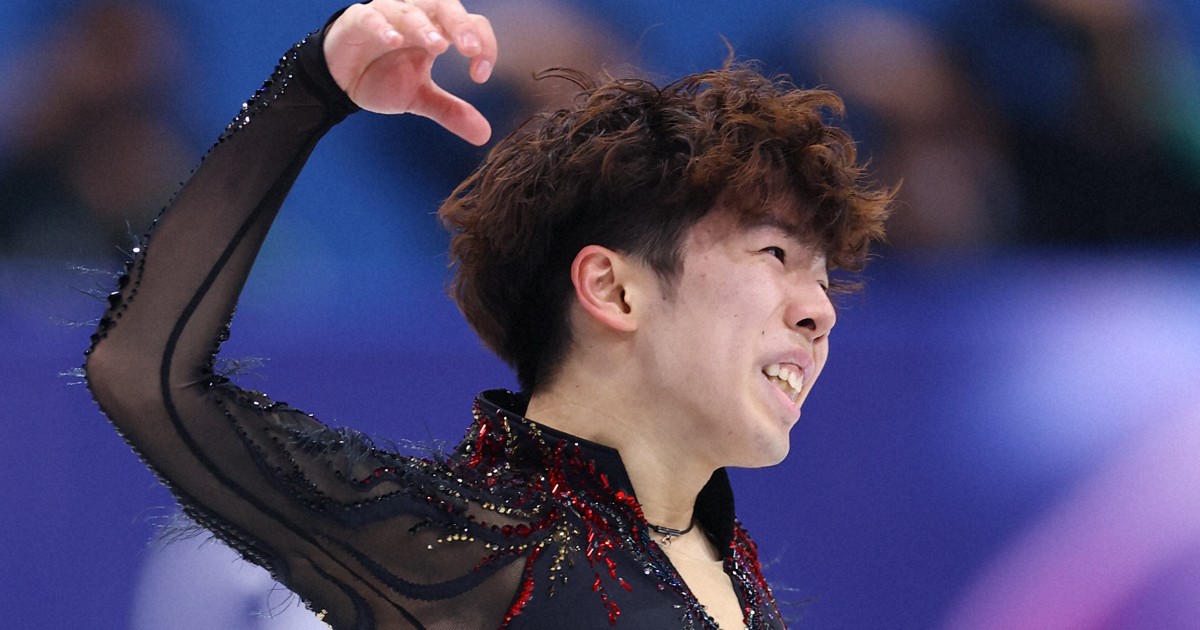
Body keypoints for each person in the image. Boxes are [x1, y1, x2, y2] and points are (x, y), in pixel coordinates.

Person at [84, 0, 891, 628]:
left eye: (826, 280)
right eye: (775, 255)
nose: (819, 312)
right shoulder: (475, 549)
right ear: (613, 290)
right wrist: (311, 88)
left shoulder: (726, 567)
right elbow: (145, 371)